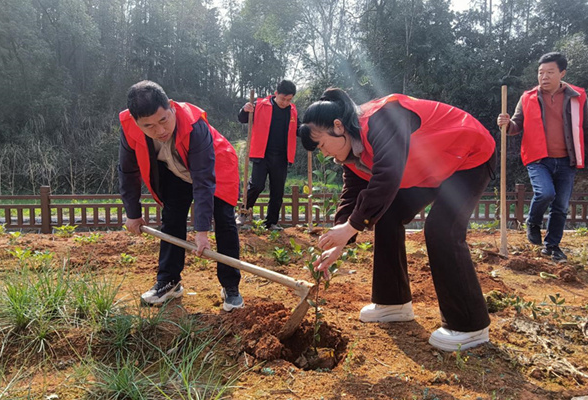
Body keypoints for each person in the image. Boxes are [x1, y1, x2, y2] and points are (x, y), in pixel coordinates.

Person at [299, 88, 497, 352]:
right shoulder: (351, 151)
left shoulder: (384, 118)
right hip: (430, 167)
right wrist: (341, 241)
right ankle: (393, 303)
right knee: (387, 215)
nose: (324, 154)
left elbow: (386, 177)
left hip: (467, 156)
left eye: (322, 144)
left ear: (338, 126)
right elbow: (354, 194)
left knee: (441, 229)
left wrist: (350, 228)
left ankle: (470, 326)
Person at [118, 80, 243, 310]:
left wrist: (202, 231)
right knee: (172, 217)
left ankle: (231, 286)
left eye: (163, 120)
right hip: (174, 169)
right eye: (149, 126)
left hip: (215, 166)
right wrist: (133, 213)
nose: (160, 131)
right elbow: (128, 172)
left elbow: (204, 181)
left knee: (224, 221)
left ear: (172, 108)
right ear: (137, 123)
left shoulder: (194, 125)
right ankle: (169, 281)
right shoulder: (128, 128)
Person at [497, 52, 587, 262]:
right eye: (540, 73)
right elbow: (516, 125)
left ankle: (552, 247)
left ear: (562, 73)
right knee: (545, 193)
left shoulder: (578, 97)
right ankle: (533, 222)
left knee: (561, 206)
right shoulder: (527, 97)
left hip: (567, 160)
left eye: (550, 72)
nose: (544, 77)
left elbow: (585, 126)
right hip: (538, 159)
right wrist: (506, 124)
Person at [236, 80, 299, 230]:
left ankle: (271, 223)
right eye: (283, 99)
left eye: (289, 100)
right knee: (257, 185)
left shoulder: (292, 111)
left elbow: (298, 128)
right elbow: (242, 118)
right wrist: (245, 110)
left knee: (277, 191)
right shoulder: (260, 105)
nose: (285, 102)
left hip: (282, 157)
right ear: (276, 94)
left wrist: (309, 132)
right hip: (262, 154)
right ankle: (243, 213)